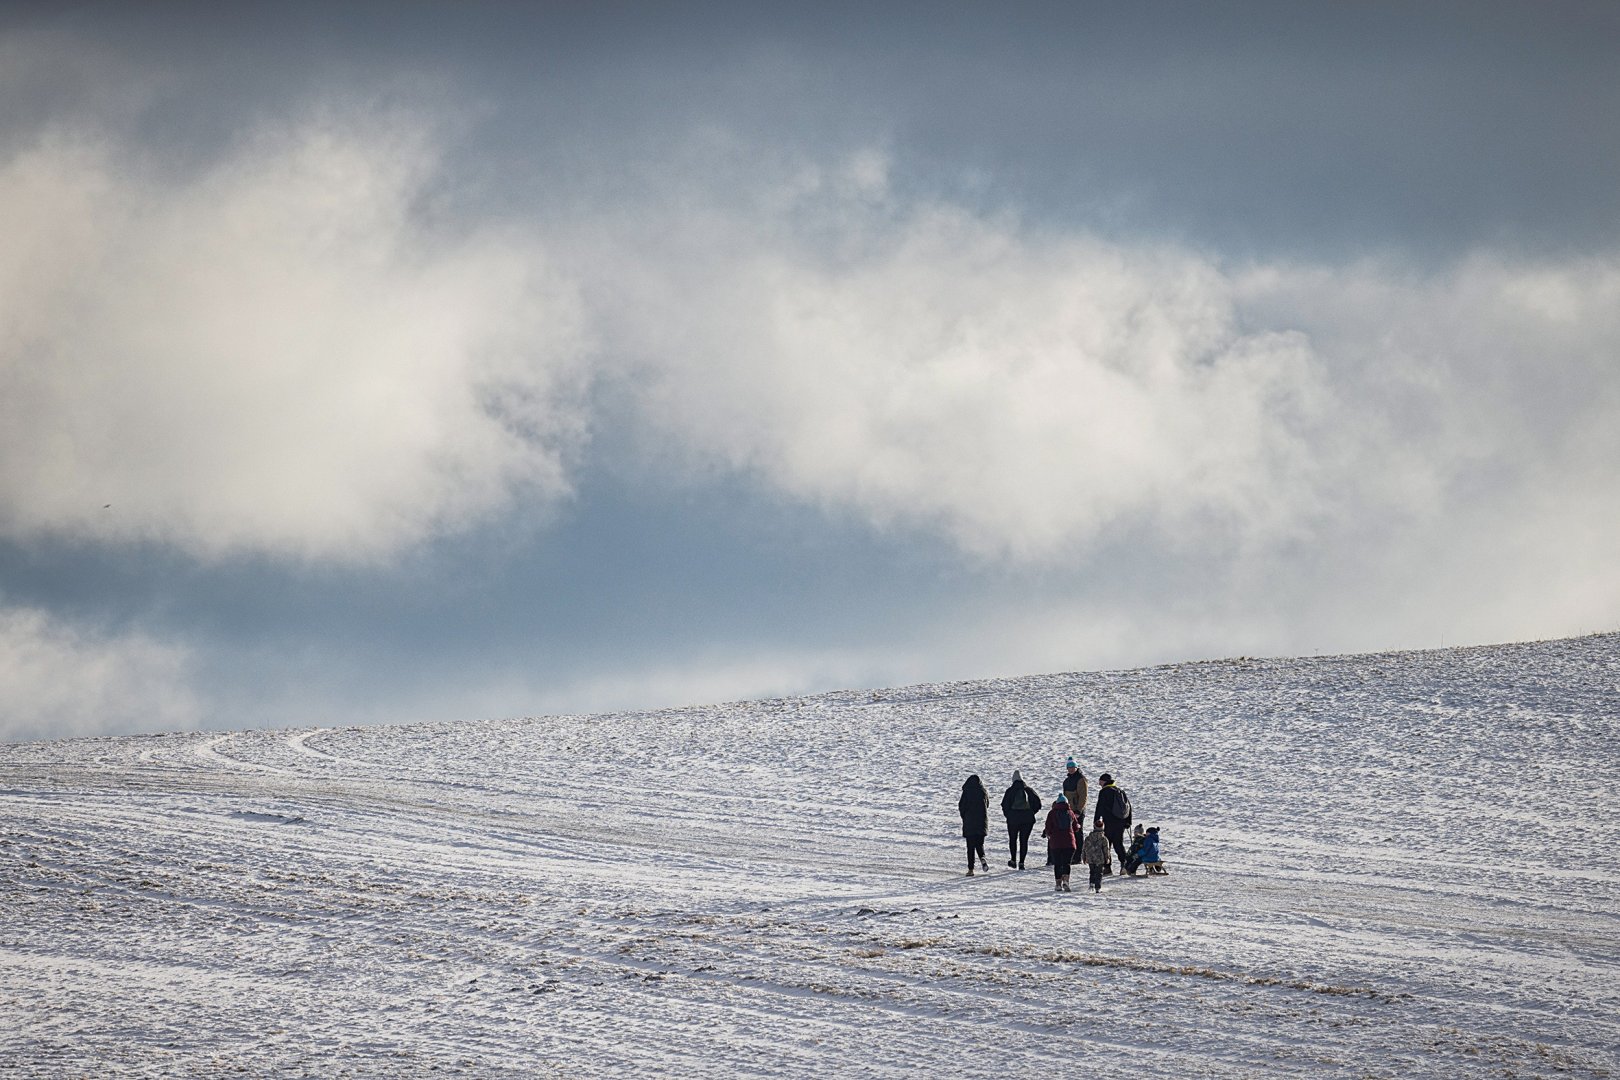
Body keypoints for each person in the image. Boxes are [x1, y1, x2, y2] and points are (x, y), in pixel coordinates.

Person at [1000, 771, 1042, 869]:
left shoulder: (1010, 791)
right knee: (1024, 841)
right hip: (1027, 819)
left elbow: (1004, 805)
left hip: (1013, 819)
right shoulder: (1029, 790)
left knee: (1013, 839)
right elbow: (1038, 804)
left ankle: (1013, 860)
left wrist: (1009, 815)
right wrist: (1031, 813)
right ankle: (1022, 862)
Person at [1094, 772, 1133, 869]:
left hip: (1109, 822)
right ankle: (1124, 865)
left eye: (1100, 781)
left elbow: (1100, 807)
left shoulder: (1104, 792)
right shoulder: (1120, 791)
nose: (1099, 783)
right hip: (1121, 822)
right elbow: (1128, 807)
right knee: (1118, 843)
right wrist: (1128, 821)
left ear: (1104, 781)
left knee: (1106, 845)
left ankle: (1107, 867)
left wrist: (1096, 820)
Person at [1041, 794, 1079, 892]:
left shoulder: (1052, 813)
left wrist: (1050, 834)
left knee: (1057, 863)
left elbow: (1048, 828)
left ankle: (1058, 884)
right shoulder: (1070, 813)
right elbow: (1076, 828)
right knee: (1067, 863)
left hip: (1056, 843)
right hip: (1069, 843)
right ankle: (1066, 881)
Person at [958, 774, 990, 876]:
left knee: (970, 847)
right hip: (981, 822)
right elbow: (987, 805)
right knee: (979, 844)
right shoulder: (983, 791)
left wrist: (965, 817)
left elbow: (961, 806)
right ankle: (982, 858)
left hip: (970, 822)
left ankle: (971, 870)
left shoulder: (967, 792)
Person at [1080, 818, 1113, 893]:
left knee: (1092, 872)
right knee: (1099, 873)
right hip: (1100, 859)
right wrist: (1107, 858)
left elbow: (1084, 848)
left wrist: (1084, 857)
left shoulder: (1088, 838)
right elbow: (1106, 850)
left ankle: (1091, 884)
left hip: (1090, 858)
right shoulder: (1104, 839)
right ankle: (1097, 887)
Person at [1061, 758, 1088, 823]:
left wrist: (1078, 811)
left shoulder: (1081, 779)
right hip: (1069, 810)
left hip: (1077, 811)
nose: (1071, 769)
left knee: (1077, 828)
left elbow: (1083, 796)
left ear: (1076, 767)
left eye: (1073, 767)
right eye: (1069, 767)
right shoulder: (1066, 781)